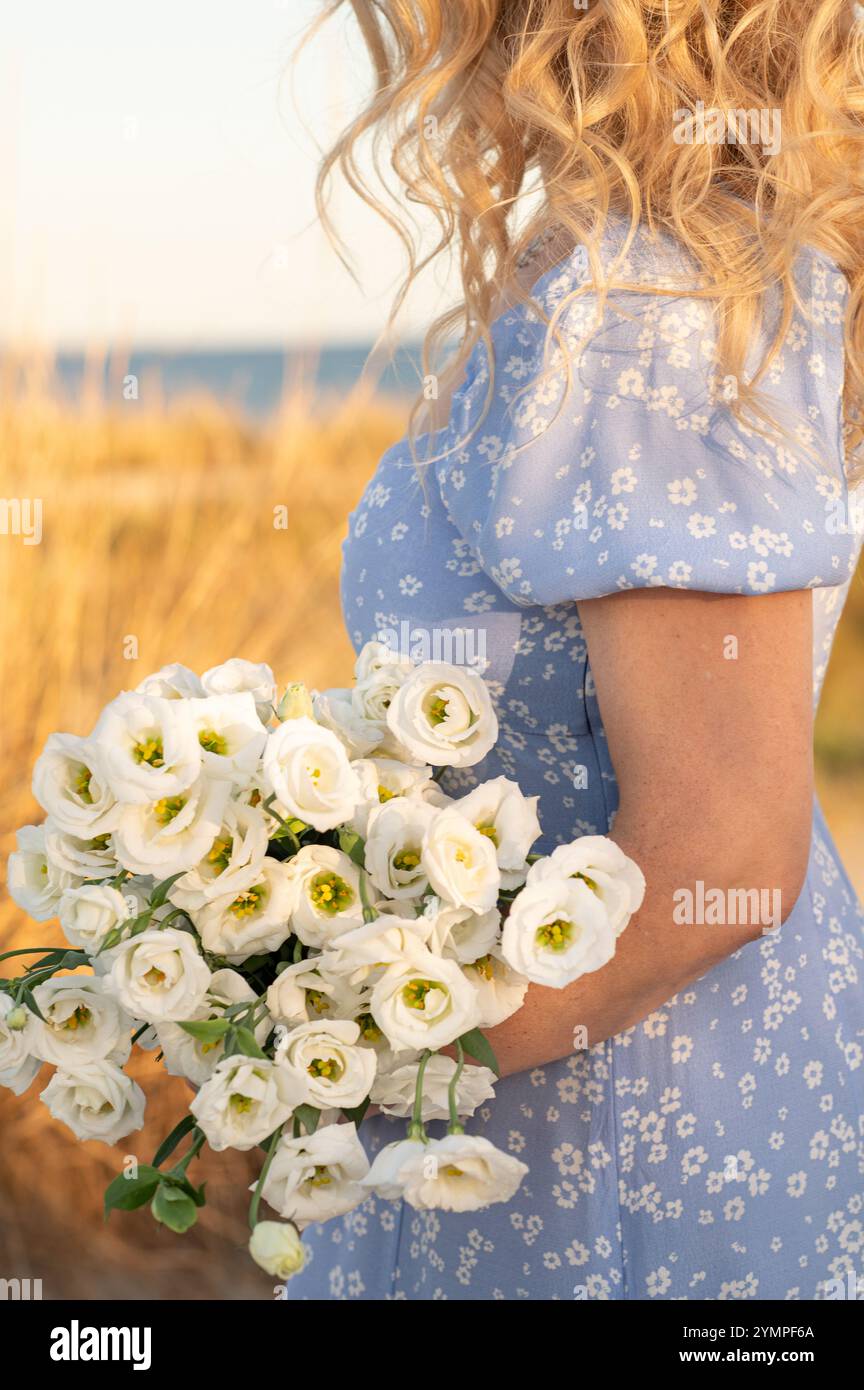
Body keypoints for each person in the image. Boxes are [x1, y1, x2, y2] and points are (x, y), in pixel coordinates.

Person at [288, 0, 864, 1299]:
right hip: (585, 1110)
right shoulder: (640, 256)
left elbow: (721, 846)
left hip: (625, 1148)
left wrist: (363, 1044)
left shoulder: (653, 291)